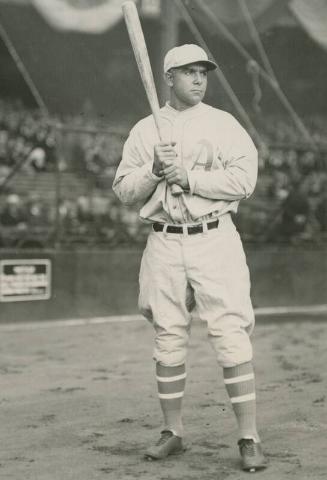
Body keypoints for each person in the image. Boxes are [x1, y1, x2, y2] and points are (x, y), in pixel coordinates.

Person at [113, 44, 267, 472]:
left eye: (203, 72)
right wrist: (154, 172)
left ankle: (249, 436)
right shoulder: (146, 130)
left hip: (214, 237)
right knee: (167, 334)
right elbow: (124, 191)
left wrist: (191, 177)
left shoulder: (224, 123)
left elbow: (245, 179)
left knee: (231, 332)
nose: (198, 79)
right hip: (163, 239)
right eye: (188, 72)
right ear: (168, 78)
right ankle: (173, 431)